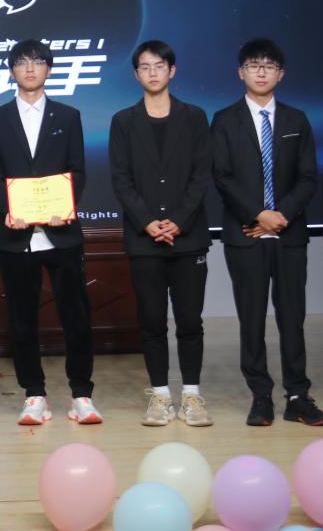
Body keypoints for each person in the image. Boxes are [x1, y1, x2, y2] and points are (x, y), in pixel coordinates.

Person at [211, 38, 323, 426]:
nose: (261, 72)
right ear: (240, 73)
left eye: (268, 66)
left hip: (289, 234)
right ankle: (260, 396)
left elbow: (307, 177)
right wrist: (258, 214)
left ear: (281, 74)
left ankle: (298, 395)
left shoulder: (297, 119)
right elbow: (222, 176)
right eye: (253, 65)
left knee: (293, 318)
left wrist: (282, 215)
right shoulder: (224, 119)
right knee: (251, 319)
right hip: (245, 234)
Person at [0, 39, 101, 426]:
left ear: (48, 68)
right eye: (21, 62)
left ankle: (81, 394)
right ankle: (34, 394)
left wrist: (64, 207)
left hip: (61, 233)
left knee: (76, 316)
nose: (30, 68)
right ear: (11, 70)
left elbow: (77, 171)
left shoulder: (68, 116)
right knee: (21, 319)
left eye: (37, 62)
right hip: (16, 235)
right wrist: (9, 209)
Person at [109, 40, 214, 427]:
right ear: (136, 75)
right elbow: (121, 179)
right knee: (152, 322)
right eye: (144, 67)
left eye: (159, 66)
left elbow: (202, 174)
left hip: (188, 239)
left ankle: (192, 396)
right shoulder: (123, 121)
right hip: (144, 240)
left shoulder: (194, 117)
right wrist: (147, 221)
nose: (152, 73)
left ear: (172, 70)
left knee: (190, 321)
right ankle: (160, 396)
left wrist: (179, 220)